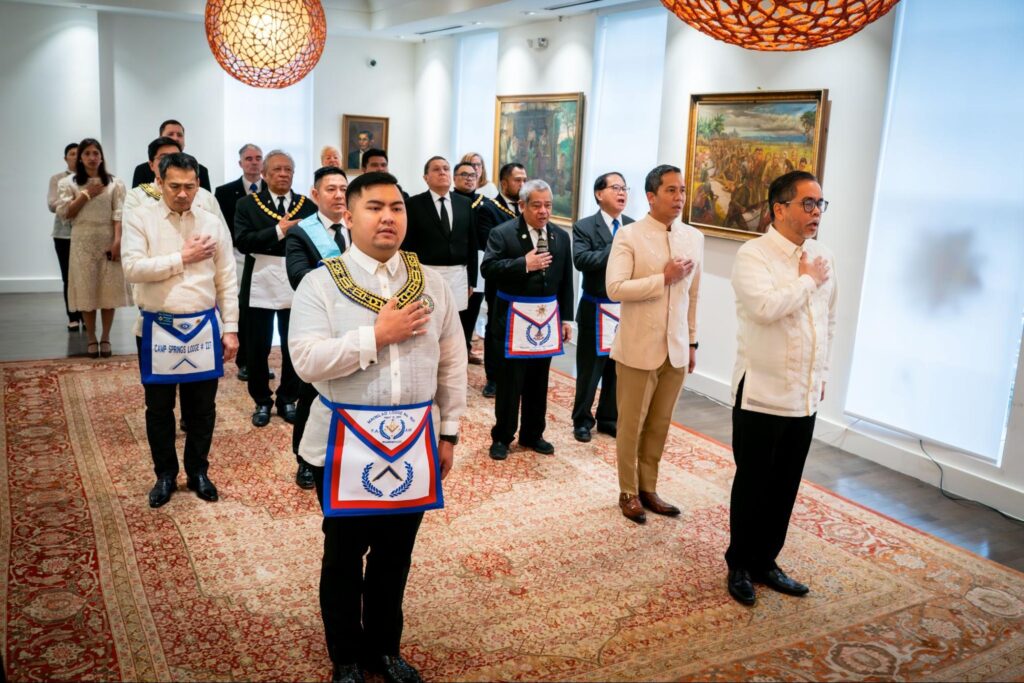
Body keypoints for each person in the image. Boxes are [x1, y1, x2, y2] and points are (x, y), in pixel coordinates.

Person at [289, 171, 466, 683]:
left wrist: (448, 431)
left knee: (395, 555)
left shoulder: (430, 283)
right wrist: (376, 335)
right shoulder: (321, 283)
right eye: (374, 207)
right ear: (349, 215)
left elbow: (451, 361)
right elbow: (305, 360)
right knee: (344, 556)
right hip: (344, 444)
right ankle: (345, 655)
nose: (387, 217)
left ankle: (384, 649)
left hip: (413, 442)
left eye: (396, 207)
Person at [725, 170, 836, 606]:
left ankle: (767, 561)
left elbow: (829, 320)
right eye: (808, 204)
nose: (815, 213)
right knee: (753, 482)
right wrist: (807, 279)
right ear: (779, 209)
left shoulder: (822, 255)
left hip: (804, 394)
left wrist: (822, 374)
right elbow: (765, 308)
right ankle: (738, 564)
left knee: (786, 483)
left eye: (820, 205)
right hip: (762, 392)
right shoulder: (753, 255)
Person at [121, 152, 239, 508]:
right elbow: (132, 268)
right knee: (158, 409)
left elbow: (227, 278)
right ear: (159, 182)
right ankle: (165, 475)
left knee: (202, 409)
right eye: (175, 186)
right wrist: (181, 259)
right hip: (157, 326)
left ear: (198, 184)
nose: (183, 193)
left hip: (203, 326)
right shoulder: (140, 217)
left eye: (190, 186)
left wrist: (230, 328)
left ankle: (198, 471)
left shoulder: (211, 222)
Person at [606, 164, 703, 524]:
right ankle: (628, 491)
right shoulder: (629, 235)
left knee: (659, 424)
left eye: (682, 190)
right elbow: (615, 288)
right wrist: (661, 279)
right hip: (637, 347)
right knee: (631, 424)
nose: (680, 198)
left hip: (676, 348)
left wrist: (692, 342)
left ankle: (649, 488)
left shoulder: (694, 238)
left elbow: (694, 295)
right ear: (651, 196)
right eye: (671, 191)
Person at [481, 179, 574, 461]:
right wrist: (524, 264)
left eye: (548, 205)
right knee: (511, 382)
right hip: (512, 320)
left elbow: (565, 281)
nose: (544, 211)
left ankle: (533, 434)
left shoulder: (559, 236)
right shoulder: (503, 233)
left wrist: (567, 319)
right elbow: (488, 269)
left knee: (538, 380)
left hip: (545, 320)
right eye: (537, 205)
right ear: (522, 206)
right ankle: (502, 436)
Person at [234, 150, 317, 428]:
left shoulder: (307, 206)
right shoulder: (247, 204)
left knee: (293, 343)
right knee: (257, 346)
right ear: (265, 174)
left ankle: (287, 399)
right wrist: (279, 231)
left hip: (296, 277)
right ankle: (261, 401)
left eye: (288, 170)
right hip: (260, 280)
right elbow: (243, 242)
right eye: (277, 170)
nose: (283, 174)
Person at [284, 165, 350, 490]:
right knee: (312, 392)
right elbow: (299, 277)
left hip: (357, 324)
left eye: (343, 189)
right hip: (322, 322)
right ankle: (304, 459)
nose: (339, 195)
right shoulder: (301, 232)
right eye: (331, 189)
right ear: (315, 194)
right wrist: (348, 277)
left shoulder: (358, 227)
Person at [571, 172, 635, 443]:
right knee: (590, 370)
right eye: (616, 187)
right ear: (599, 194)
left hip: (625, 309)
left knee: (617, 369)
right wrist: (617, 247)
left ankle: (609, 418)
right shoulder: (585, 226)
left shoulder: (633, 226)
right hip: (595, 307)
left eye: (624, 188)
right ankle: (582, 420)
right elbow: (582, 260)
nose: (622, 193)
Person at [56, 138, 130, 359]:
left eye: (96, 152)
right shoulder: (68, 183)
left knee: (107, 290)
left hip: (107, 237)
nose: (92, 157)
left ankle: (106, 337)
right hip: (82, 240)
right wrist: (87, 193)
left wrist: (117, 241)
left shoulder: (115, 183)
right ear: (80, 157)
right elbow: (66, 213)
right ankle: (91, 338)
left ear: (101, 156)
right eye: (87, 153)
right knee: (87, 289)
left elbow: (119, 213)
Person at [402, 156, 478, 364]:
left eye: (446, 168)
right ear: (426, 177)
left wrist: (472, 279)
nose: (442, 172)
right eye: (436, 169)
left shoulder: (464, 204)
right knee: (429, 321)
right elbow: (406, 245)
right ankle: (424, 361)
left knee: (456, 324)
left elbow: (472, 242)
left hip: (458, 274)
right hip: (426, 273)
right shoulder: (414, 204)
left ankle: (453, 363)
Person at [474, 162, 527, 398]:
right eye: (518, 180)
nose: (523, 184)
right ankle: (493, 378)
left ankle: (519, 375)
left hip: (525, 281)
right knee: (497, 329)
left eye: (525, 179)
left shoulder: (528, 208)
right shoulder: (488, 208)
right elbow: (489, 244)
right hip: (500, 278)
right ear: (504, 183)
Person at [215, 143, 264, 382]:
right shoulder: (225, 192)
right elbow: (221, 228)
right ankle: (243, 360)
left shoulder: (272, 191)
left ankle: (258, 361)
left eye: (258, 158)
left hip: (266, 257)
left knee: (260, 311)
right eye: (249, 158)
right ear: (240, 163)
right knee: (242, 307)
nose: (254, 162)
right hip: (237, 255)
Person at [123, 137, 225, 221]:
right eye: (163, 158)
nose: (169, 163)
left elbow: (223, 238)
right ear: (151, 165)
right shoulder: (136, 197)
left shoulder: (206, 197)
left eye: (176, 157)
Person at [451, 161, 485, 366]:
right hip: (454, 262)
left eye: (473, 174)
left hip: (479, 261)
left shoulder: (486, 203)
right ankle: (452, 351)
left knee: (473, 307)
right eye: (464, 174)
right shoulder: (450, 201)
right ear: (455, 178)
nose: (469, 178)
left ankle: (466, 349)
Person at [47, 142, 82, 331]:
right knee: (68, 278)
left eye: (79, 154)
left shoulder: (90, 179)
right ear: (65, 158)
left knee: (85, 277)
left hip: (86, 235)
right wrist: (77, 200)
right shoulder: (57, 179)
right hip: (63, 236)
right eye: (72, 154)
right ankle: (73, 316)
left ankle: (86, 314)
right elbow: (52, 204)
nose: (76, 157)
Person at [131, 119, 211, 190]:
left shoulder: (200, 170)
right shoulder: (142, 170)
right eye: (170, 134)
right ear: (160, 138)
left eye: (180, 135)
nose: (175, 138)